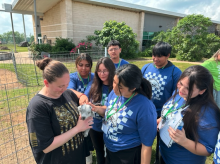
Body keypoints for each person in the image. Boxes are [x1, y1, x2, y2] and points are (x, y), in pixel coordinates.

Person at [26, 58, 93, 164]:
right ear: (46, 83)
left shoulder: (67, 93)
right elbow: (46, 147)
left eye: (67, 84)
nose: (64, 88)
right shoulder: (38, 107)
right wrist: (78, 128)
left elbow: (74, 94)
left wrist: (83, 100)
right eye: (60, 86)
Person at [90, 64, 157, 164]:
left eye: (120, 87)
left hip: (128, 154)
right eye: (114, 82)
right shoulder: (114, 93)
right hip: (110, 149)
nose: (115, 88)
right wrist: (96, 109)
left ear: (133, 88)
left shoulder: (145, 107)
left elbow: (147, 145)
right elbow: (110, 111)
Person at [158, 65, 220, 164]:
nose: (181, 89)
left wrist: (184, 141)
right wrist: (161, 120)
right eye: (180, 83)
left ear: (202, 91)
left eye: (188, 88)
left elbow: (208, 150)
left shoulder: (207, 114)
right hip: (164, 155)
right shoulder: (179, 94)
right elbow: (172, 111)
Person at [141, 41, 182, 163]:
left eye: (159, 56)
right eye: (153, 55)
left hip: (163, 114)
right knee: (143, 139)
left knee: (161, 143)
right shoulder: (146, 68)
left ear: (168, 55)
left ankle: (158, 160)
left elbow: (177, 96)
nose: (155, 58)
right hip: (145, 112)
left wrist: (164, 116)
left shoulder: (175, 72)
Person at [84, 57, 115, 164]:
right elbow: (85, 97)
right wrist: (84, 100)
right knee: (99, 151)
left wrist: (98, 108)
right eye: (99, 71)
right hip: (95, 126)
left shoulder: (115, 87)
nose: (102, 74)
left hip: (111, 127)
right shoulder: (93, 85)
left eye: (105, 70)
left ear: (111, 70)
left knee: (111, 152)